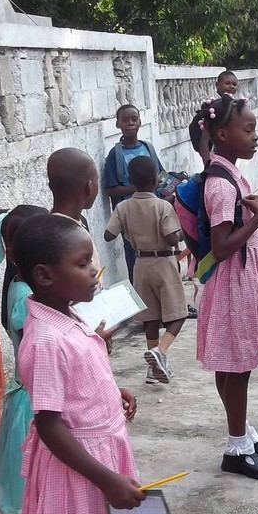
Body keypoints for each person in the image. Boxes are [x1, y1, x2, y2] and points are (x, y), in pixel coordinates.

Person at [11, 215, 182, 514]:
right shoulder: (45, 340)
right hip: (82, 474)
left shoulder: (67, 318)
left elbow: (76, 383)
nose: (95, 271)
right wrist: (106, 479)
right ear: (45, 275)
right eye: (83, 263)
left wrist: (112, 387)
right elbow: (49, 424)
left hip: (100, 460)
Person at [197, 93, 258, 481]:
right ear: (222, 133)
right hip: (234, 276)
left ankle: (243, 433)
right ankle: (237, 446)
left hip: (242, 273)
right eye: (248, 129)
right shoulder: (220, 184)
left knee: (235, 363)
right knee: (237, 365)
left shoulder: (229, 171)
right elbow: (221, 247)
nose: (256, 137)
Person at [0, 205, 50, 514]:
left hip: (32, 392)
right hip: (35, 397)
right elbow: (43, 344)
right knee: (40, 478)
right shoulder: (25, 296)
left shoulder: (20, 287)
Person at [104, 156, 187, 384]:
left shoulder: (123, 207)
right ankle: (160, 351)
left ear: (131, 180)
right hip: (164, 263)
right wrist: (182, 231)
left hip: (140, 264)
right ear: (155, 180)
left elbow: (108, 235)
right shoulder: (163, 206)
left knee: (150, 317)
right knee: (178, 314)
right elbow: (171, 239)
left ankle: (153, 371)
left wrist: (131, 226)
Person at [102, 105, 165, 279]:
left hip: (155, 212)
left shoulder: (148, 148)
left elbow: (161, 176)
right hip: (131, 218)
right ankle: (140, 299)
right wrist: (140, 188)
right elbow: (110, 190)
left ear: (140, 122)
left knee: (161, 254)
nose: (130, 123)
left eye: (134, 119)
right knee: (134, 257)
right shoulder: (115, 155)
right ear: (117, 124)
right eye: (125, 120)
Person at [190, 70, 239, 166]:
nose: (232, 86)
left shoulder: (230, 105)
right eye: (227, 83)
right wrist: (207, 167)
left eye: (234, 84)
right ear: (217, 85)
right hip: (215, 159)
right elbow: (204, 142)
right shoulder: (213, 107)